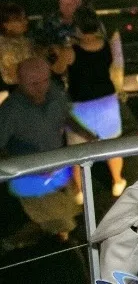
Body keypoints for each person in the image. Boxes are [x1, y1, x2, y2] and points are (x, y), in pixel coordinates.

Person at [0, 57, 95, 247]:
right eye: (34, 83)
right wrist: (16, 168)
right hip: (31, 177)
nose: (41, 87)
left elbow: (66, 117)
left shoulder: (56, 94)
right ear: (20, 81)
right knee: (57, 223)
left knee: (67, 216)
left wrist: (87, 134)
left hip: (58, 167)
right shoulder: (9, 111)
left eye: (45, 81)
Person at [63, 7, 127, 197]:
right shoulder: (106, 45)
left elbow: (58, 69)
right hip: (107, 102)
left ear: (77, 28)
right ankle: (117, 181)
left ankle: (80, 191)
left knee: (78, 153)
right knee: (112, 147)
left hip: (81, 107)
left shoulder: (70, 52)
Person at [0, 2, 34, 90]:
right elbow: (14, 76)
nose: (25, 22)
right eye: (20, 20)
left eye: (25, 18)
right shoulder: (4, 47)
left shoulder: (24, 40)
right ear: (6, 25)